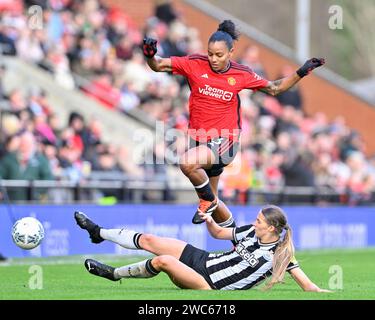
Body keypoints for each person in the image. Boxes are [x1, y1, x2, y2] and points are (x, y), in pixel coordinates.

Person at [142, 20, 325, 226]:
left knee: (187, 163)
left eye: (219, 55)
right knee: (213, 212)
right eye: (210, 53)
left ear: (231, 52)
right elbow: (158, 65)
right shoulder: (194, 63)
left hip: (225, 140)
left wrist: (301, 72)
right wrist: (149, 54)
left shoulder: (241, 73)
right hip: (199, 140)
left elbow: (274, 88)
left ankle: (207, 200)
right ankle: (236, 239)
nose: (213, 59)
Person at [74, 205, 330, 292]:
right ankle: (98, 233)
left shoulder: (282, 255)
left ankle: (112, 274)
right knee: (152, 239)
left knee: (164, 261)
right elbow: (219, 233)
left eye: (260, 220)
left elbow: (308, 286)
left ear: (272, 228)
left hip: (208, 283)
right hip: (204, 259)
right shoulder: (250, 232)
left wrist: (324, 291)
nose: (255, 222)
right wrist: (209, 221)